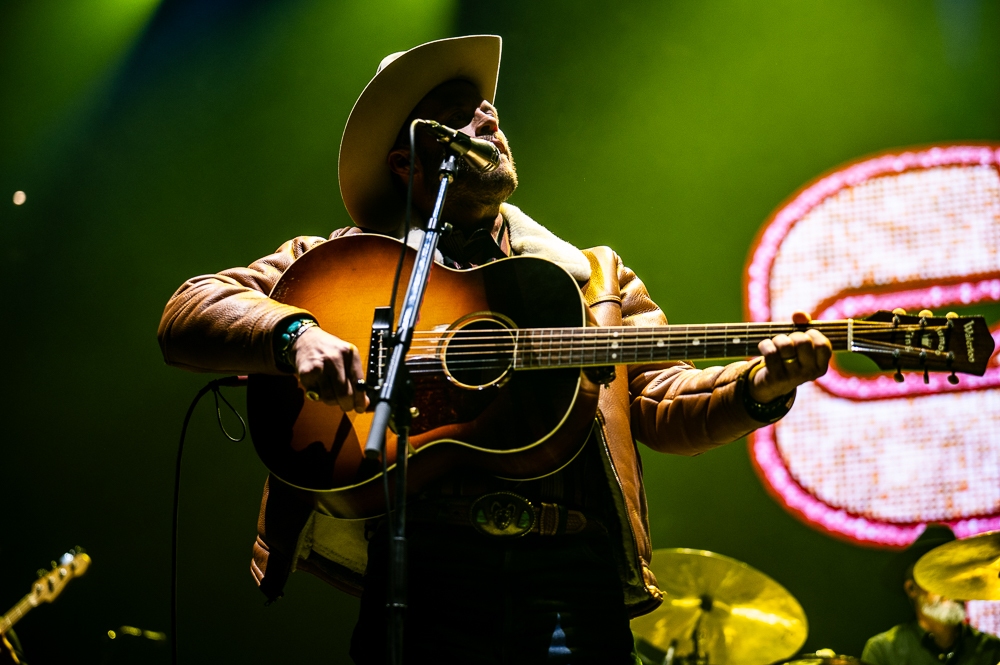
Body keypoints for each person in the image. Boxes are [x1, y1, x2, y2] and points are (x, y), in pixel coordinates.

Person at [158, 35, 832, 664]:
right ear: (406, 161)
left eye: (489, 107)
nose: (488, 116)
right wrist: (293, 334)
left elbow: (659, 403)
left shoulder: (591, 279)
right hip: (422, 570)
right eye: (460, 114)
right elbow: (189, 309)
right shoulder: (336, 265)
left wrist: (757, 386)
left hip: (571, 575)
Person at [862, 525, 1000, 665]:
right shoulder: (883, 651)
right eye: (939, 576)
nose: (952, 585)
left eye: (958, 574)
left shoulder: (992, 649)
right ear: (912, 589)